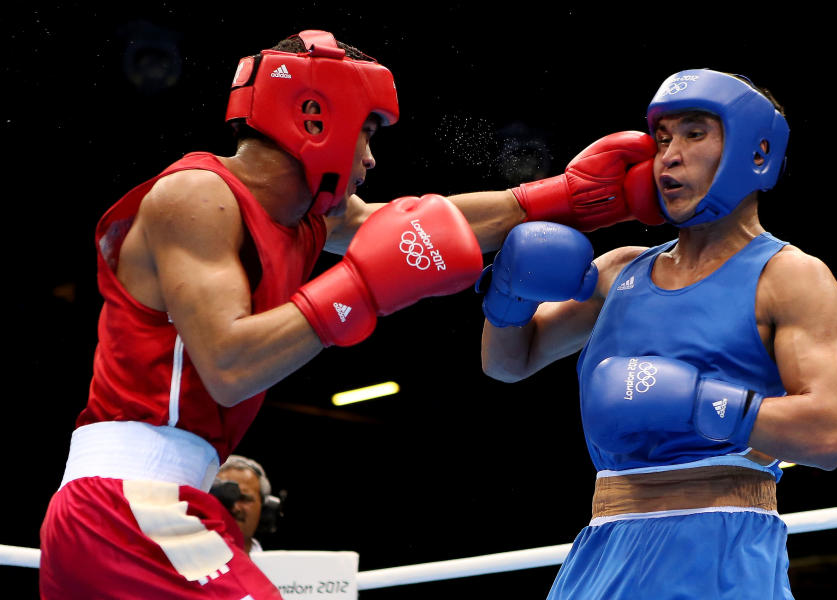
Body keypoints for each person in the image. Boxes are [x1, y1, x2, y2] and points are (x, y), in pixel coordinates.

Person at [38, 29, 661, 599]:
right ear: (315, 118)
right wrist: (361, 285)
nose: (370, 159)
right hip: (129, 503)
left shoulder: (303, 218)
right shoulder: (198, 196)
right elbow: (229, 364)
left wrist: (575, 200)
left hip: (150, 503)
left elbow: (422, 225)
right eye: (368, 131)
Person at [478, 69, 837, 599]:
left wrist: (697, 399)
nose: (668, 156)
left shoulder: (788, 276)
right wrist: (506, 299)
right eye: (662, 139)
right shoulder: (619, 271)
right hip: (604, 543)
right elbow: (507, 363)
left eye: (694, 133)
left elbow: (827, 435)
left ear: (756, 149)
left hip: (718, 544)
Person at [213, 455, 280, 554]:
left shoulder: (280, 566)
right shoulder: (187, 563)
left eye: (244, 499)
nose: (235, 508)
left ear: (264, 508)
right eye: (225, 498)